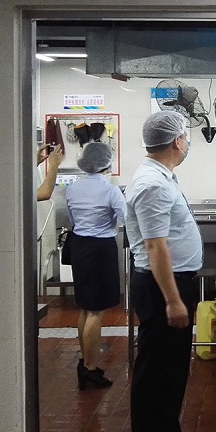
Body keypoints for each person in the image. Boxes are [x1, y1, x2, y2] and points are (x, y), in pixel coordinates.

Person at [126, 110, 203, 432]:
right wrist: (173, 301)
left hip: (170, 283)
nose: (187, 142)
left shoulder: (162, 177)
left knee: (171, 368)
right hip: (162, 288)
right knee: (157, 369)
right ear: (176, 141)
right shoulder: (153, 184)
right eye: (185, 136)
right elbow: (155, 246)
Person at [65, 142, 126, 390]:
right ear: (107, 163)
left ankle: (85, 361)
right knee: (95, 312)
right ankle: (90, 369)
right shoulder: (110, 191)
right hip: (100, 250)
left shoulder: (72, 188)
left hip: (79, 246)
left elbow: (72, 219)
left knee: (85, 308)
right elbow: (126, 218)